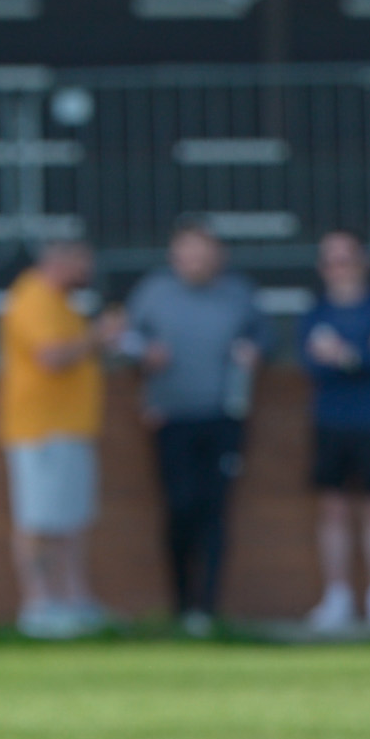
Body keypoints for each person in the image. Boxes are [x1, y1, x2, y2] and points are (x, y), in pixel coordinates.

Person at [122, 218, 269, 635]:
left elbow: (265, 338)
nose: (195, 262)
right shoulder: (154, 293)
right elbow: (126, 340)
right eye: (187, 253)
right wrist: (143, 354)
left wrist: (254, 352)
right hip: (171, 416)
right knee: (181, 507)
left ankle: (207, 607)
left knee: (215, 509)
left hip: (223, 415)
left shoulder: (237, 294)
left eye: (203, 253)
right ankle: (180, 603)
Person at [0, 239, 124, 639]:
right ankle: (38, 605)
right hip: (40, 431)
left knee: (71, 521)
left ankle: (73, 601)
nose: (87, 272)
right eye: (82, 263)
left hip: (71, 428)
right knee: (38, 521)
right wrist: (100, 336)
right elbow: (50, 357)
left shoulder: (64, 303)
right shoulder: (33, 297)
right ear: (61, 262)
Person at [299, 231, 370, 634]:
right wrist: (362, 355)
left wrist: (344, 355)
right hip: (329, 421)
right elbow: (312, 363)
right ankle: (337, 597)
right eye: (332, 260)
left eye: (347, 258)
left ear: (364, 261)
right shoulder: (315, 313)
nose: (340, 268)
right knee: (333, 508)